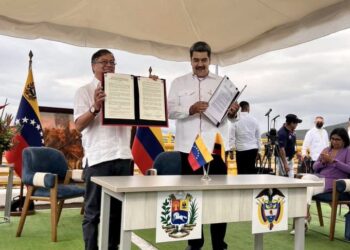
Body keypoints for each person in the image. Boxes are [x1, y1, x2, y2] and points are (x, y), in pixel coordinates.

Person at [168, 41, 239, 250]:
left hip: (214, 149)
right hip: (188, 148)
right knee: (189, 198)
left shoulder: (223, 83)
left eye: (204, 60)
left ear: (210, 59)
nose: (200, 64)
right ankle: (194, 243)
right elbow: (169, 110)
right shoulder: (178, 83)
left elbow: (233, 117)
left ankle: (219, 244)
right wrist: (189, 109)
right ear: (190, 60)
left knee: (218, 198)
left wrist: (234, 113)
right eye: (196, 60)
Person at [74, 49, 133, 250]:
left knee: (118, 213)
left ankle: (112, 247)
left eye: (113, 62)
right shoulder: (83, 91)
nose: (109, 65)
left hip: (124, 156)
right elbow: (79, 125)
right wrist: (95, 107)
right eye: (104, 62)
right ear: (93, 66)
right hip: (99, 159)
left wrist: (148, 90)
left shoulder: (126, 91)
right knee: (93, 213)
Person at [298, 127, 350, 231]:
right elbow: (314, 167)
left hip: (335, 182)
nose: (334, 141)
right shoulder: (326, 150)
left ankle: (304, 219)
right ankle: (305, 217)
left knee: (307, 188)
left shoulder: (348, 151)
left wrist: (333, 161)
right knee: (305, 178)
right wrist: (322, 162)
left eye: (337, 139)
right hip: (320, 178)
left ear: (344, 140)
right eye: (333, 138)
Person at [229, 101, 261, 174]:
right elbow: (258, 137)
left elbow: (231, 136)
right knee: (251, 171)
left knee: (241, 172)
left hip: (240, 150)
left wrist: (231, 150)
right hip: (253, 149)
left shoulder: (235, 120)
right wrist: (259, 151)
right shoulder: (254, 120)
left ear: (240, 108)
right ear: (248, 108)